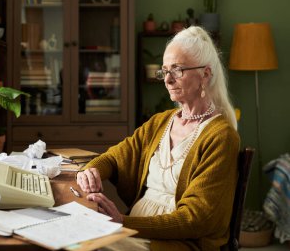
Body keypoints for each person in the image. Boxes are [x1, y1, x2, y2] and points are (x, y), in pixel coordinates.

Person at [76, 26, 240, 251]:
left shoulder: (221, 136)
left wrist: (123, 222)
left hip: (180, 242)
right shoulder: (161, 122)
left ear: (206, 74)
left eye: (178, 70)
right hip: (134, 230)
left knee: (92, 247)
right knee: (76, 239)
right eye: (164, 71)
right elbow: (115, 157)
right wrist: (91, 171)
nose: (168, 80)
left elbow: (196, 218)